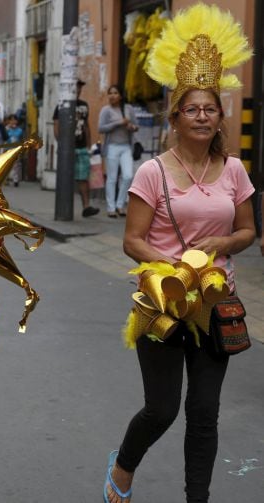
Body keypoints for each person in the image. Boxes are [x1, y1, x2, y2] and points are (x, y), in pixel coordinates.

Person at [106, 6, 255, 502]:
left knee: (205, 411)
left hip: (217, 302)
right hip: (164, 303)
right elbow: (132, 240)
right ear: (175, 116)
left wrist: (224, 243)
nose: (202, 116)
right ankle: (123, 466)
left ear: (220, 118)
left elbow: (249, 231)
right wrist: (169, 266)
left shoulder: (234, 171)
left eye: (210, 109)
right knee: (163, 409)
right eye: (192, 109)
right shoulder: (153, 172)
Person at [53, 80, 100, 218]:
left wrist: (88, 145)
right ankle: (63, 208)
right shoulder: (62, 105)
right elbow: (56, 126)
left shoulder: (84, 106)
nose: (78, 91)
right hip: (67, 149)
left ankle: (86, 207)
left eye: (79, 88)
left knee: (83, 178)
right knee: (65, 178)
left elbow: (86, 126)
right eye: (75, 88)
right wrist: (61, 145)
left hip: (81, 147)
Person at [98, 85, 138, 218]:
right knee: (112, 178)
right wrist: (118, 123)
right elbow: (101, 128)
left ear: (120, 96)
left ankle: (120, 205)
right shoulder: (106, 110)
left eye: (115, 93)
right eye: (110, 93)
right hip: (112, 147)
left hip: (126, 146)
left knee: (128, 176)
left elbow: (136, 126)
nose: (112, 96)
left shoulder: (128, 109)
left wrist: (130, 126)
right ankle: (111, 208)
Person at [5, 114, 24, 186]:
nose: (13, 121)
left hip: (16, 149)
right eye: (11, 120)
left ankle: (16, 180)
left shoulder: (20, 130)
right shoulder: (6, 129)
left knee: (16, 165)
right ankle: (6, 179)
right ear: (8, 121)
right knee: (6, 165)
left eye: (14, 120)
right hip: (7, 149)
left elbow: (22, 140)